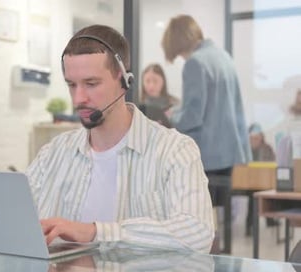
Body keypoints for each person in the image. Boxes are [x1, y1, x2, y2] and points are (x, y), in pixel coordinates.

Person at [25, 24, 214, 254]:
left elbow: (198, 233)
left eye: (91, 84)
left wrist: (96, 232)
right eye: (71, 85)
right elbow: (16, 219)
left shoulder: (174, 151)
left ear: (124, 80)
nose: (78, 98)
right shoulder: (53, 153)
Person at [161, 14, 251, 210]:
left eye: (178, 53)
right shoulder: (224, 57)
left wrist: (172, 116)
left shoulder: (195, 63)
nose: (180, 58)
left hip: (207, 156)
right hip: (229, 154)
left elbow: (193, 116)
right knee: (216, 217)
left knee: (201, 218)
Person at [246, 123, 277, 235]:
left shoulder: (267, 148)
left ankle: (270, 220)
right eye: (252, 137)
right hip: (248, 183)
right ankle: (249, 226)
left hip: (265, 182)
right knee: (253, 195)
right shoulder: (245, 149)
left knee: (264, 193)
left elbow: (273, 163)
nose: (255, 139)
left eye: (257, 136)